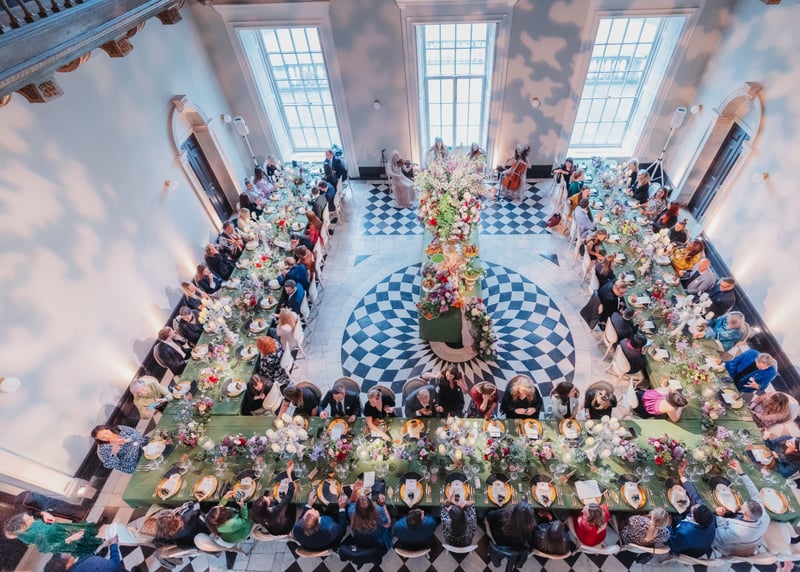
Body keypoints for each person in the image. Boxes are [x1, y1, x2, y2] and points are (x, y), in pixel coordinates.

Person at [712, 459, 769, 557]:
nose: (742, 505)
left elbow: (722, 535)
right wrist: (741, 473)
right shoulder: (764, 515)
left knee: (707, 512)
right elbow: (754, 493)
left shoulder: (737, 532)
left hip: (726, 544)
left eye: (743, 506)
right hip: (747, 537)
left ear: (744, 513)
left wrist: (719, 517)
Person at [668, 461, 716, 557]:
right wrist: (682, 476)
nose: (693, 505)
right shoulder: (708, 517)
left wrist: (668, 526)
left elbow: (671, 543)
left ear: (693, 516)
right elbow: (695, 496)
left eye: (693, 509)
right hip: (696, 536)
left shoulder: (685, 532)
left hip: (687, 548)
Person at [3, 513, 102, 556]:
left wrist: (45, 514)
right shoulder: (37, 536)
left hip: (66, 530)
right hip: (69, 540)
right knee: (93, 546)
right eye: (28, 519)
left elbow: (44, 524)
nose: (31, 517)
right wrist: (69, 539)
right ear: (23, 527)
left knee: (89, 534)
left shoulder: (32, 524)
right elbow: (49, 548)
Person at [252, 460, 296, 535]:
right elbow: (290, 492)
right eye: (267, 499)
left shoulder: (256, 514)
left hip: (272, 529)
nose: (268, 497)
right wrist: (288, 474)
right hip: (285, 527)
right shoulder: (275, 510)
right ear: (267, 507)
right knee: (292, 503)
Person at [45, 536, 123, 571]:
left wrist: (102, 546)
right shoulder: (93, 564)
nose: (72, 555)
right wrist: (114, 545)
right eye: (70, 556)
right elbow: (115, 565)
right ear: (67, 565)